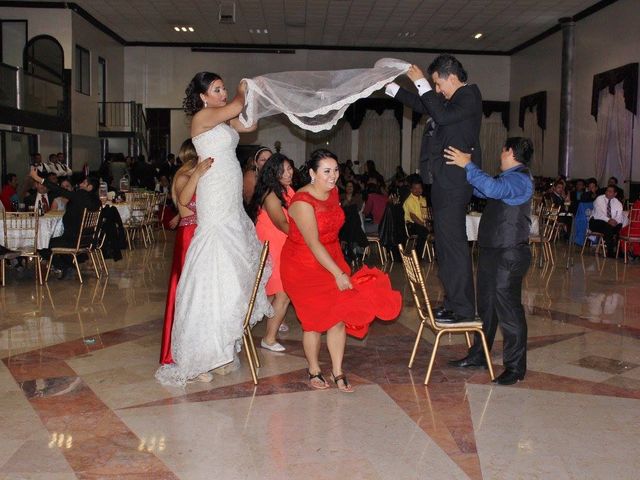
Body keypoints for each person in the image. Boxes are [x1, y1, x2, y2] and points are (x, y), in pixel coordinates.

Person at [154, 71, 272, 386]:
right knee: (212, 268)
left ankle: (221, 349)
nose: (222, 93)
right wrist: (241, 89)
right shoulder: (204, 116)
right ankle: (200, 354)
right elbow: (235, 106)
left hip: (229, 197)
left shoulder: (221, 121)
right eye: (217, 89)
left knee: (230, 274)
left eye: (223, 89)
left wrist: (255, 98)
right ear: (204, 96)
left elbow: (249, 124)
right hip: (214, 197)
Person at [280, 149, 402, 393]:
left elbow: (331, 232)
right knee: (313, 322)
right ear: (313, 173)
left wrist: (340, 265)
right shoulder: (302, 202)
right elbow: (313, 243)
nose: (333, 176)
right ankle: (314, 369)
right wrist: (338, 273)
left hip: (331, 258)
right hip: (303, 266)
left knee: (337, 317)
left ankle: (338, 371)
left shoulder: (333, 192)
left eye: (335, 170)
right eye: (327, 171)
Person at [386, 54, 482, 323]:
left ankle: (463, 309)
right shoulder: (450, 100)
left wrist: (421, 83)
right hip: (442, 180)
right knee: (445, 246)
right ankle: (453, 303)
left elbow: (435, 109)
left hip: (454, 182)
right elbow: (421, 103)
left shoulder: (469, 95)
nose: (437, 90)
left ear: (451, 77)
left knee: (454, 246)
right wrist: (391, 88)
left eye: (439, 84)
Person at [444, 137, 534, 385]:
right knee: (487, 307)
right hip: (493, 251)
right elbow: (484, 189)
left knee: (509, 310)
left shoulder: (520, 178)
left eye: (503, 151)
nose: (500, 155)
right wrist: (463, 174)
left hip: (510, 253)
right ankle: (479, 355)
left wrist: (469, 166)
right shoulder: (507, 179)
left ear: (511, 152)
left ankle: (515, 368)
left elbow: (493, 190)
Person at [159, 139, 213, 365]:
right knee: (184, 288)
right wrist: (198, 174)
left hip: (200, 234)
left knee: (200, 292)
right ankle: (175, 351)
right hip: (189, 235)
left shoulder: (198, 176)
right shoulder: (184, 177)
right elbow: (185, 201)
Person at [247, 153, 296, 351]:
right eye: (283, 170)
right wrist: (308, 235)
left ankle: (245, 327)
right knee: (283, 294)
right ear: (272, 173)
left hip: (284, 246)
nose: (288, 173)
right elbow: (282, 223)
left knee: (270, 295)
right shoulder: (270, 194)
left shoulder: (287, 190)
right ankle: (268, 338)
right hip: (274, 248)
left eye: (290, 168)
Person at [29, 167, 101, 277]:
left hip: (73, 240)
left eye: (84, 183)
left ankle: (65, 267)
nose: (80, 184)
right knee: (53, 241)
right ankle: (70, 266)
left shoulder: (81, 195)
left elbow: (59, 190)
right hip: (87, 239)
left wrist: (38, 179)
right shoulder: (97, 201)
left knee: (42, 246)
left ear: (89, 187)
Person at [589, 186, 625, 257]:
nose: (607, 193)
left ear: (615, 194)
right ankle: (610, 251)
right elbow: (598, 214)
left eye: (610, 191)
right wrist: (608, 220)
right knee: (607, 226)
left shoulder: (618, 203)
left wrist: (615, 222)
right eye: (607, 191)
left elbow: (619, 216)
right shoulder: (599, 199)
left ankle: (620, 251)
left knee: (620, 227)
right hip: (596, 222)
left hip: (611, 224)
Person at [403, 175, 429, 254]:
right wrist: (424, 225)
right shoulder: (409, 200)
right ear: (411, 189)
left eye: (419, 188)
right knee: (423, 231)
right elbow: (413, 217)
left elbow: (426, 215)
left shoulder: (423, 199)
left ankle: (438, 255)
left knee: (439, 229)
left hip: (422, 224)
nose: (418, 190)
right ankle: (417, 256)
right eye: (415, 188)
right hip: (411, 225)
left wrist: (428, 224)